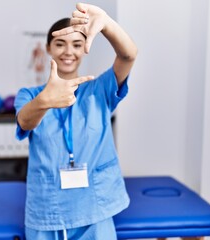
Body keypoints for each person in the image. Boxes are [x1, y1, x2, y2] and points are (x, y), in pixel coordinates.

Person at [14, 3, 137, 240]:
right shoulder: (30, 95)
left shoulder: (99, 89)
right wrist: (44, 101)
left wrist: (107, 23)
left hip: (95, 207)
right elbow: (25, 122)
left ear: (85, 49)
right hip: (47, 209)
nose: (68, 51)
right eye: (60, 43)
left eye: (77, 44)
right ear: (48, 48)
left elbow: (128, 55)